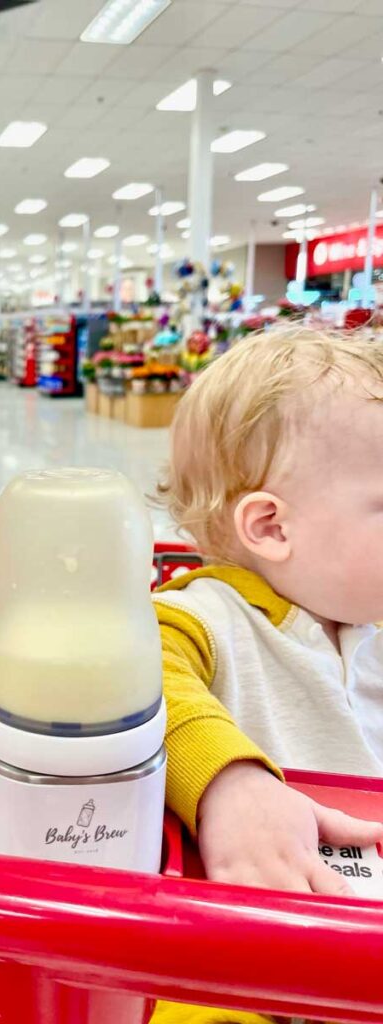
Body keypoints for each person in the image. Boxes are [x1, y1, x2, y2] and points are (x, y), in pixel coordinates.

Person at [151, 327, 383, 1024]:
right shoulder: (211, 617)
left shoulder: (366, 619)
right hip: (257, 950)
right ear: (272, 527)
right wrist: (230, 784)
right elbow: (130, 671)